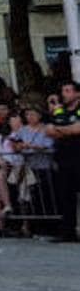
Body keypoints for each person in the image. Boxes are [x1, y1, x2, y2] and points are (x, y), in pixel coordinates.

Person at [45, 79, 80, 242]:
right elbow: (49, 130)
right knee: (66, 196)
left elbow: (77, 129)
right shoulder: (60, 111)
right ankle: (68, 232)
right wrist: (66, 130)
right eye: (63, 91)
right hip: (64, 159)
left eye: (68, 91)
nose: (64, 94)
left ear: (77, 93)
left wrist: (62, 130)